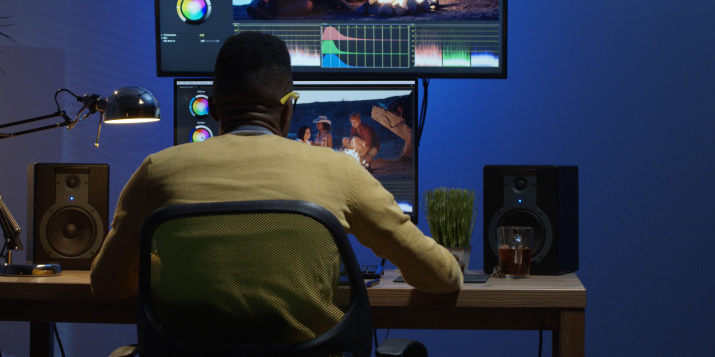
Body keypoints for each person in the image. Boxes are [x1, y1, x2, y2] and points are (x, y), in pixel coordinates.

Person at [91, 32, 462, 335]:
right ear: (287, 109)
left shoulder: (157, 171)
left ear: (214, 108)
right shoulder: (341, 171)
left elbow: (108, 287)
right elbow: (441, 277)